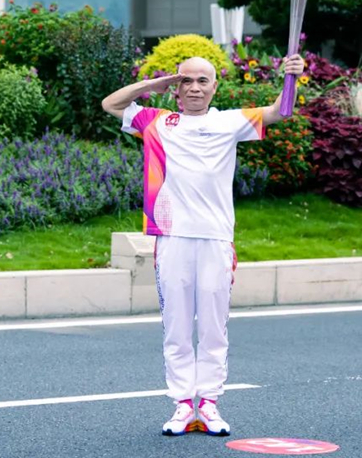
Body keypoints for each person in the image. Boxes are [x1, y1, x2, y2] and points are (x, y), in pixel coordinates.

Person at [101, 52, 305, 437]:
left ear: (214, 87)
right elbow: (110, 104)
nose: (194, 88)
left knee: (213, 327)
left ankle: (208, 403)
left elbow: (281, 111)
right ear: (176, 89)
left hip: (215, 238)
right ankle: (182, 405)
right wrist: (154, 84)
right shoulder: (157, 121)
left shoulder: (229, 122)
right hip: (171, 237)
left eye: (202, 81)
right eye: (186, 81)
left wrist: (292, 76)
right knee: (176, 326)